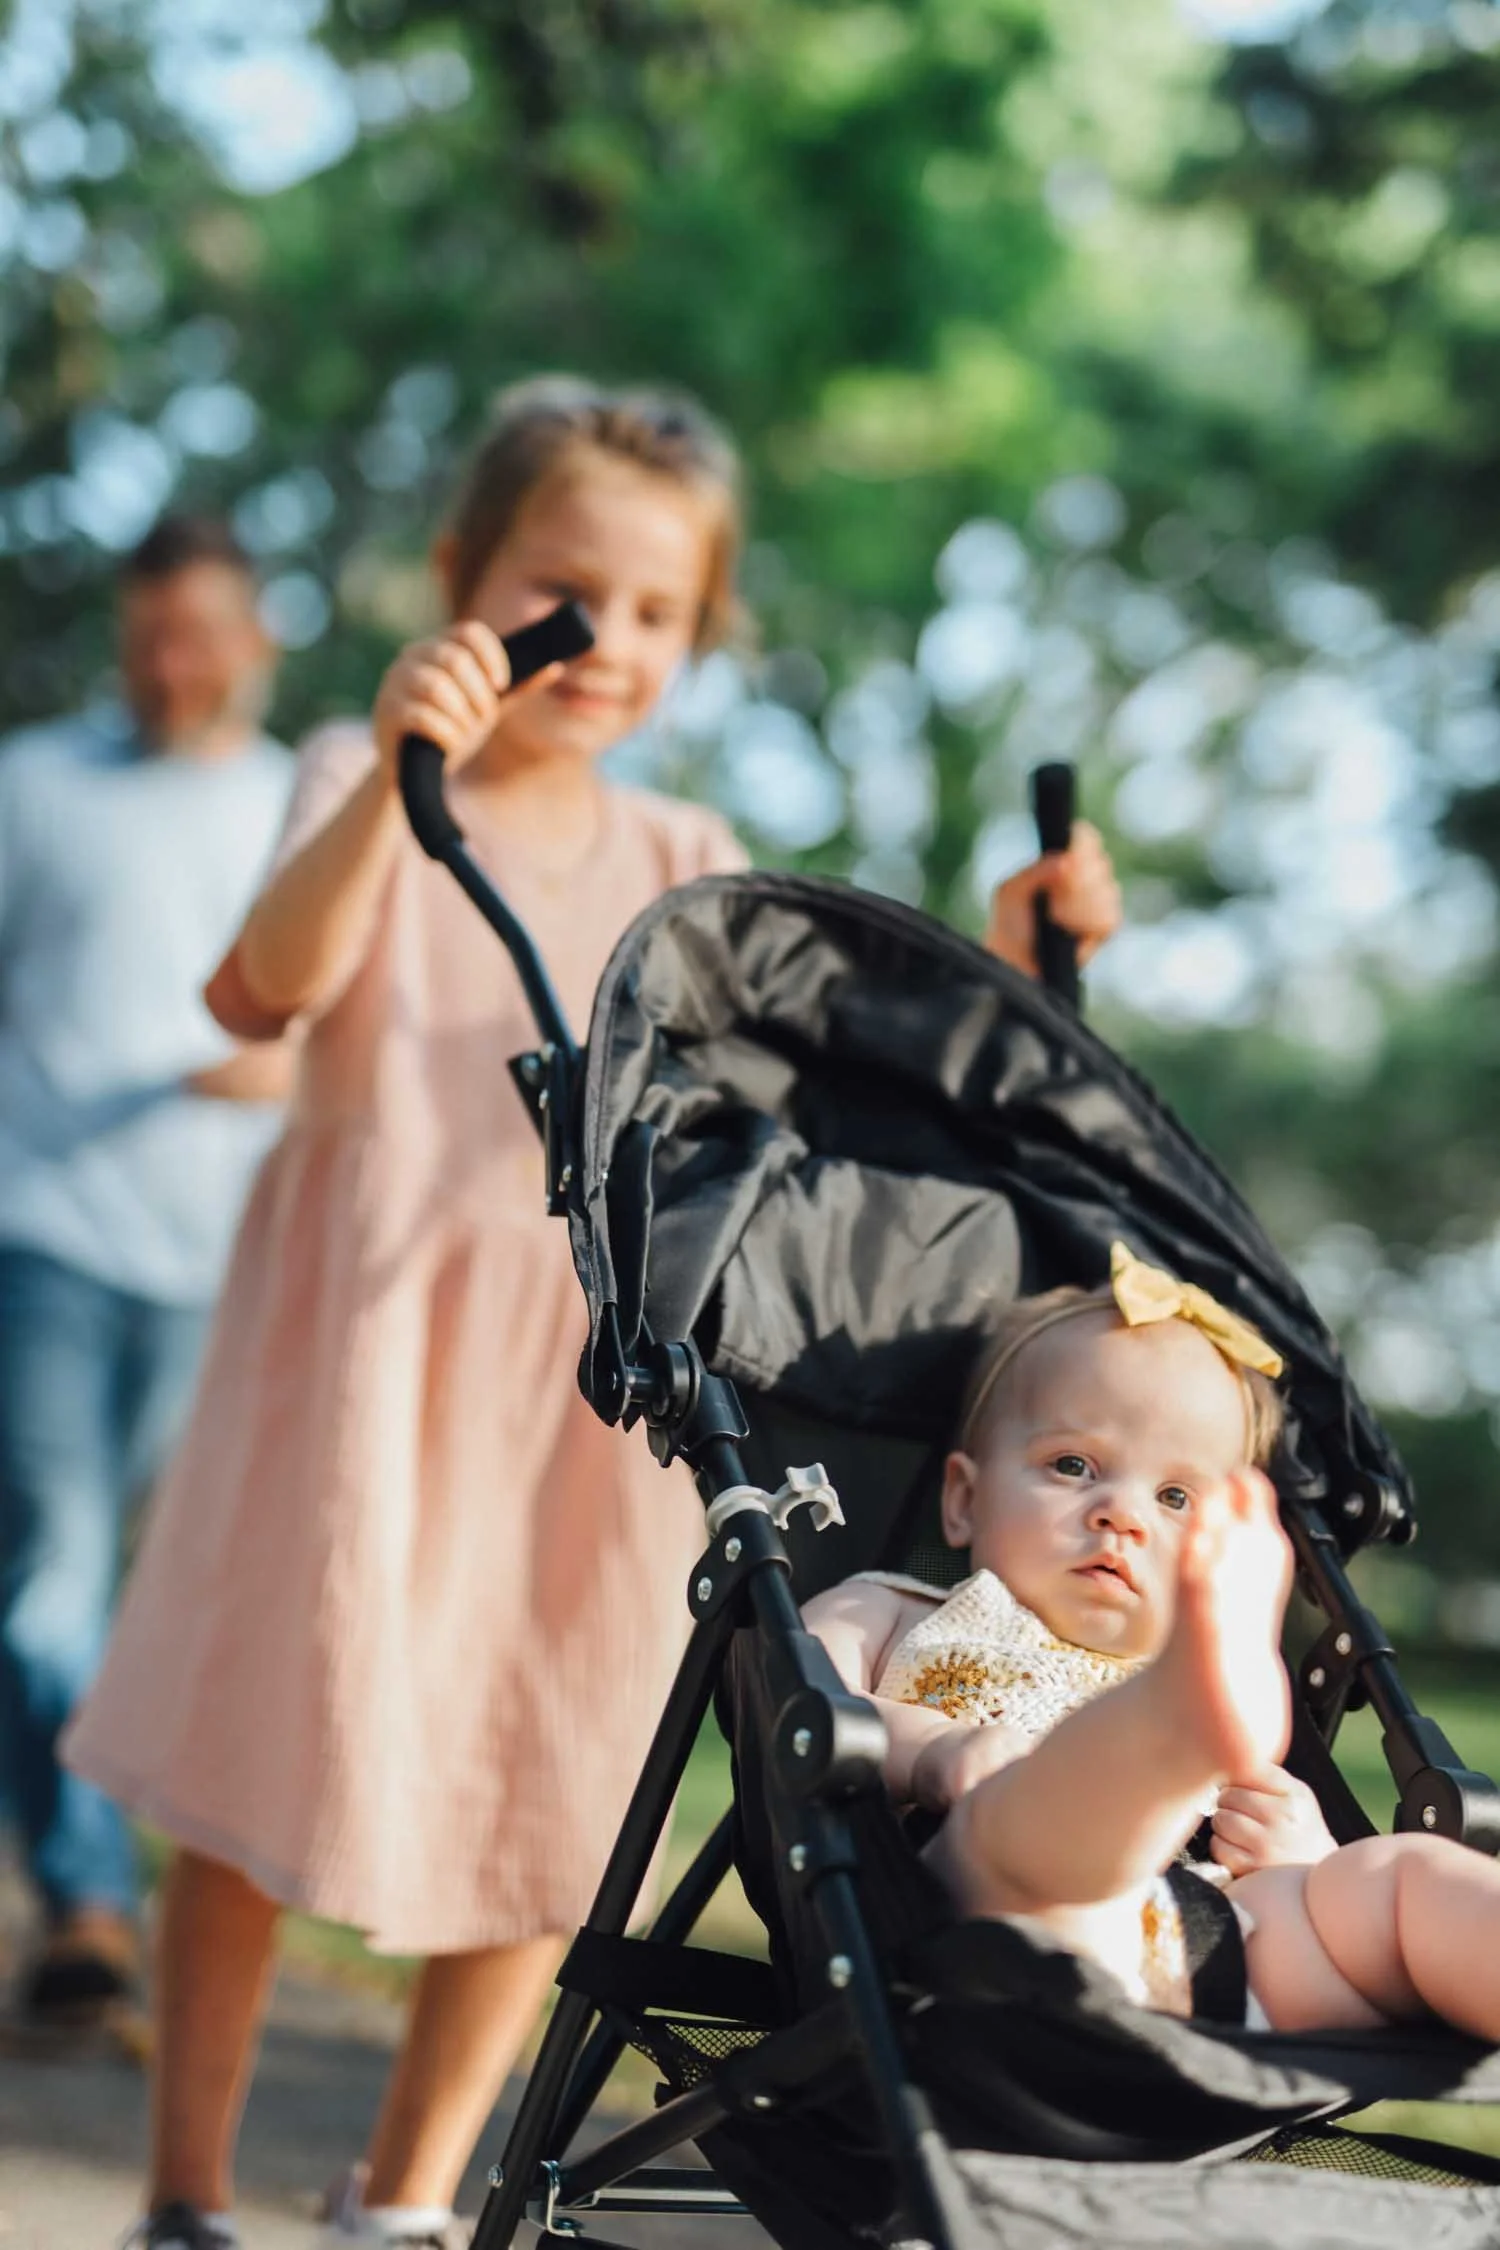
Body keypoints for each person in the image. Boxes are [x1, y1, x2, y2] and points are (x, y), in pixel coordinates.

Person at [66, 376, 1123, 2250]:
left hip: (582, 1391)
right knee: (251, 1762)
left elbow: (816, 1120)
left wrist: (1020, 966)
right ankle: (183, 2194)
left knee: (547, 1783)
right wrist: (396, 772)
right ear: (467, 578)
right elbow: (257, 996)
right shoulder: (356, 776)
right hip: (355, 1361)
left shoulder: (683, 857)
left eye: (658, 613)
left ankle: (400, 2201)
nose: (608, 642)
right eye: (567, 589)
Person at [807, 1242, 1500, 2037]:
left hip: (1210, 1951)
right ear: (962, 1498)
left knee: (1397, 1881)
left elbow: (1280, 1872)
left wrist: (1305, 1855)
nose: (1121, 1514)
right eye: (1072, 1465)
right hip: (979, 1925)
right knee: (1028, 1821)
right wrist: (930, 1750)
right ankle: (1148, 1744)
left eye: (1175, 1496)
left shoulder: (1207, 1667)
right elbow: (793, 1704)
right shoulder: (890, 1610)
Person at [0, 516, 294, 2047]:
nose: (165, 668)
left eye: (194, 637)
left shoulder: (305, 801)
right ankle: (91, 1900)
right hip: (42, 1230)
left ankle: (151, 1896)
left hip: (227, 1267)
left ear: (258, 640)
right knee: (51, 1572)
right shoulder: (34, 786)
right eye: (143, 639)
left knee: (170, 1595)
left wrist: (288, 1064)